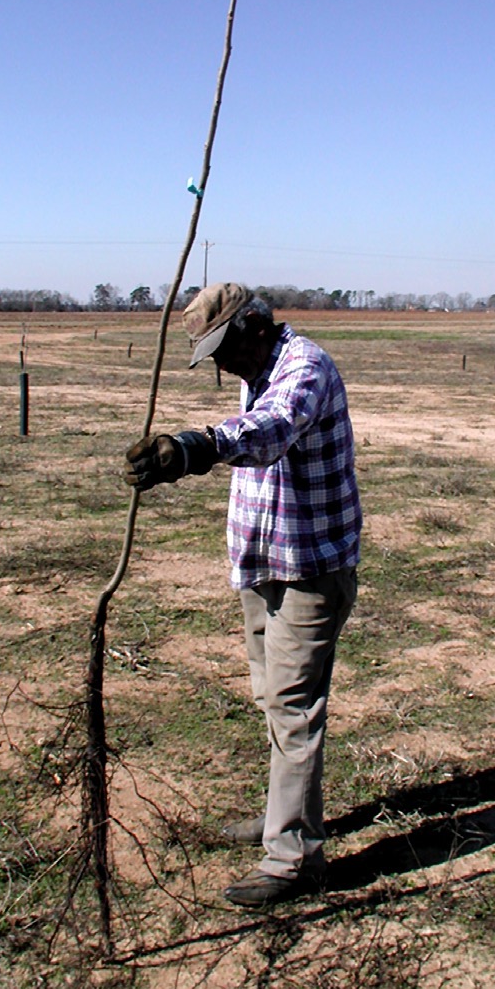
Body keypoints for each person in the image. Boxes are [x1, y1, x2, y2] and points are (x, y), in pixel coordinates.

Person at [124, 282, 362, 907]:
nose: (221, 366)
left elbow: (273, 428)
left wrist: (197, 447)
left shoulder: (303, 367)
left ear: (255, 326)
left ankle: (294, 859)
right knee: (272, 698)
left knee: (292, 706)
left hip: (309, 570)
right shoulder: (253, 369)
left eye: (222, 349)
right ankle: (284, 816)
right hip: (264, 565)